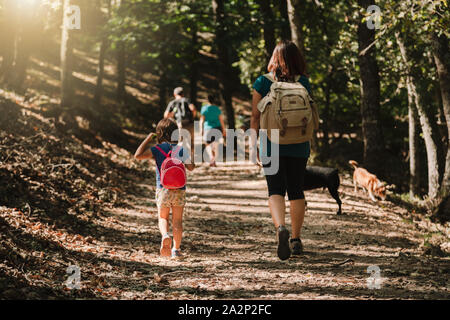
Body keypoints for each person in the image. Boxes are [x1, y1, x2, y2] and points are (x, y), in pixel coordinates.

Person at [250, 40, 315, 261]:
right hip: (299, 143)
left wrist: (254, 144)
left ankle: (280, 229)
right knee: (296, 190)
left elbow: (255, 117)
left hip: (271, 142)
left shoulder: (262, 82)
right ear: (297, 59)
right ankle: (296, 239)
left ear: (274, 58)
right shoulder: (303, 82)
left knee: (275, 189)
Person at [134, 118, 195, 258]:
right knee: (178, 221)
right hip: (179, 189)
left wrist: (149, 137)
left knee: (163, 217)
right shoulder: (181, 149)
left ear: (159, 133)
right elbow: (191, 167)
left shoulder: (156, 149)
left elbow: (137, 156)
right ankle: (176, 250)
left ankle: (165, 235)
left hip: (162, 189)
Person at [164, 87, 197, 158]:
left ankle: (181, 158)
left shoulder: (172, 103)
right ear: (183, 94)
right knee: (191, 142)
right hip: (190, 123)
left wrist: (172, 114)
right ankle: (191, 160)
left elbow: (166, 115)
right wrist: (192, 117)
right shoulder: (187, 100)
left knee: (180, 141)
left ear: (174, 94)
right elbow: (193, 109)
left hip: (179, 124)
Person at [200, 94, 227, 167]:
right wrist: (223, 129)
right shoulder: (217, 109)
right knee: (215, 145)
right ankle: (213, 160)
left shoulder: (204, 109)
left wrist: (201, 130)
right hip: (217, 128)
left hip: (207, 129)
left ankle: (211, 158)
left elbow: (201, 120)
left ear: (207, 100)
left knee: (208, 145)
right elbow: (221, 120)